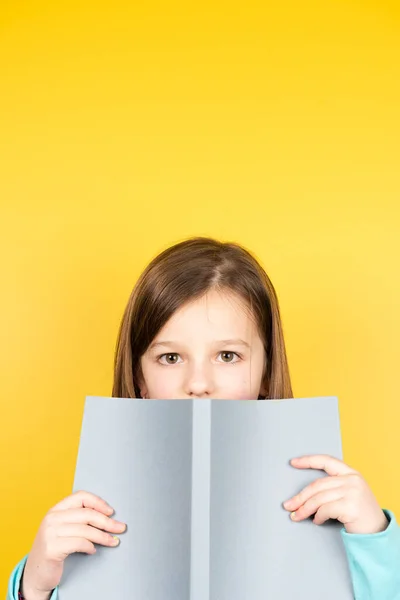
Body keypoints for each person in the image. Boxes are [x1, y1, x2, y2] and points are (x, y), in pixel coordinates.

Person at [7, 237, 400, 600]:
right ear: (140, 377)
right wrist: (35, 585)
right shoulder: (92, 511)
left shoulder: (337, 509)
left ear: (265, 370)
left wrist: (374, 538)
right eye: (170, 357)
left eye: (227, 356)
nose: (198, 383)